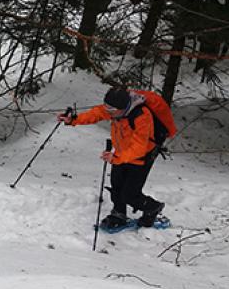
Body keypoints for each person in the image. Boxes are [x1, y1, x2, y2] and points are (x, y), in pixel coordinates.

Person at [58, 86, 166, 229]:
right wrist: (73, 120)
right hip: (120, 154)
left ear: (124, 107)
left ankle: (153, 208)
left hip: (141, 158)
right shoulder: (115, 109)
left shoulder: (142, 116)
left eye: (112, 111)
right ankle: (119, 213)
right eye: (107, 109)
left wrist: (117, 157)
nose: (108, 113)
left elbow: (139, 147)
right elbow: (96, 113)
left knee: (130, 194)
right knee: (117, 186)